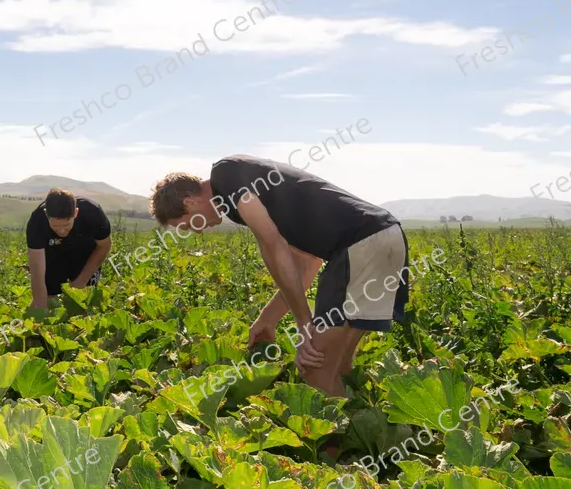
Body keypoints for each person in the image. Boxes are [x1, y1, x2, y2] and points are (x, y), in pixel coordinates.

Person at [148, 155, 408, 398]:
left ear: (189, 203)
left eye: (186, 225)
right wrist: (268, 318)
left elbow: (272, 245)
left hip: (360, 245)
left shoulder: (224, 174)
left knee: (313, 367)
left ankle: (335, 443)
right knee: (338, 365)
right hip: (385, 237)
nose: (196, 232)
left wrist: (305, 324)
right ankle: (363, 431)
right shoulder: (244, 192)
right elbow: (308, 263)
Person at [25, 188, 113, 311]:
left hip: (85, 252)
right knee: (49, 301)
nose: (61, 231)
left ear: (76, 213)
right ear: (46, 214)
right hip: (53, 252)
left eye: (66, 225)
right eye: (55, 226)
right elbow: (37, 273)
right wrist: (40, 308)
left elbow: (104, 246)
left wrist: (81, 281)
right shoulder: (37, 222)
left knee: (84, 303)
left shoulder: (93, 212)